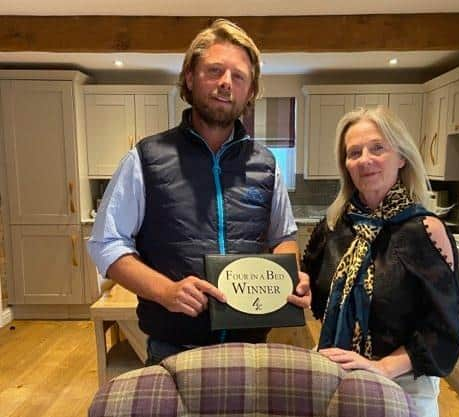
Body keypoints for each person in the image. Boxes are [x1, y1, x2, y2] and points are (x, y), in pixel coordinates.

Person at [88, 18, 310, 365]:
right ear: (190, 78)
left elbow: (284, 236)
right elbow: (106, 243)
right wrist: (166, 291)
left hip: (250, 352)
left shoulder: (266, 164)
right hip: (174, 352)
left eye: (238, 76)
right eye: (215, 71)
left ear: (250, 91)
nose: (226, 83)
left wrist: (289, 278)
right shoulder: (145, 158)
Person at [302, 106, 459, 417]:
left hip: (404, 384)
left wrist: (382, 368)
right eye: (354, 152)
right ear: (345, 165)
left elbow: (443, 331)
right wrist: (304, 287)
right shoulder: (335, 225)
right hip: (337, 375)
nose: (365, 160)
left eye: (378, 148)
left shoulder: (425, 231)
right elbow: (312, 283)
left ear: (401, 157)